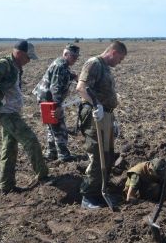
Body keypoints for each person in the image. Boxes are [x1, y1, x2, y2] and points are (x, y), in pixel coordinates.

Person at [0, 41, 48, 194]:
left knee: (9, 147)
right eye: (28, 57)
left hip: (11, 111)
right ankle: (44, 176)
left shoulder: (16, 67)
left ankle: (6, 185)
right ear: (20, 53)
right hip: (5, 112)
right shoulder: (5, 64)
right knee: (30, 140)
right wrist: (0, 97)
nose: (29, 61)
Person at [76, 41, 127, 209]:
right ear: (113, 52)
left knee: (107, 154)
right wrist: (95, 105)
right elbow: (81, 88)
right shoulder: (94, 63)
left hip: (106, 114)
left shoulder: (105, 67)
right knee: (98, 155)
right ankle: (88, 196)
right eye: (119, 58)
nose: (119, 62)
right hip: (94, 116)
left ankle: (101, 189)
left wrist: (112, 118)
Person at [33, 44, 80, 162]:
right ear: (66, 54)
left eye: (76, 57)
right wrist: (57, 106)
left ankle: (52, 152)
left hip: (46, 99)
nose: (75, 59)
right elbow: (55, 87)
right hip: (49, 101)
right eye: (73, 57)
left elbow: (62, 77)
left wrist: (73, 76)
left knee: (51, 126)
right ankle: (63, 155)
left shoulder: (63, 64)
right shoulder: (61, 66)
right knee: (59, 127)